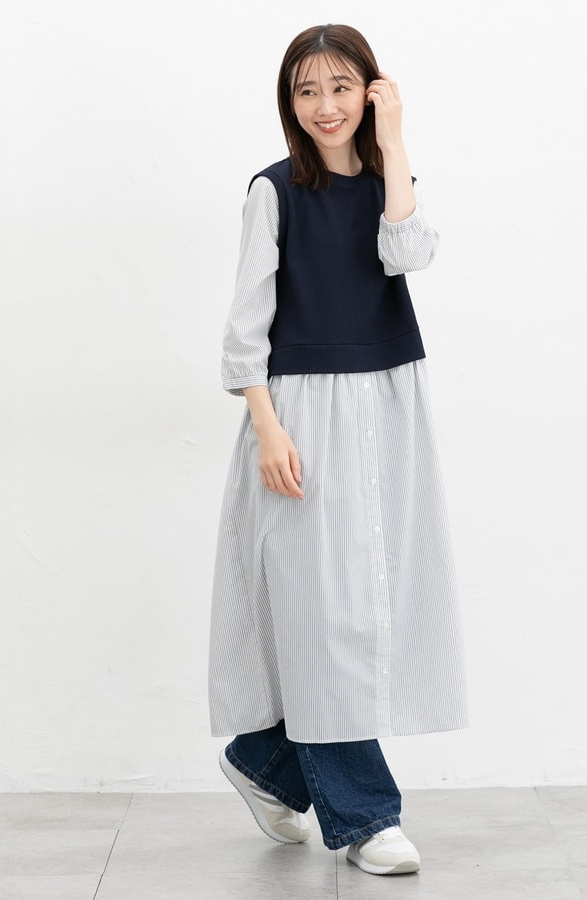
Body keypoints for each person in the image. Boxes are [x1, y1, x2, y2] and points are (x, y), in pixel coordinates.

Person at [208, 23, 468, 876]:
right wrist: (267, 427)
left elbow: (409, 253)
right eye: (307, 90)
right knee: (323, 617)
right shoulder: (275, 191)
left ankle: (267, 762)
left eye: (342, 88)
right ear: (290, 102)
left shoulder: (393, 182)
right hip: (300, 415)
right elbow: (245, 324)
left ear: (371, 91)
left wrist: (395, 144)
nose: (325, 106)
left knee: (368, 609)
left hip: (388, 406)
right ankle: (365, 817)